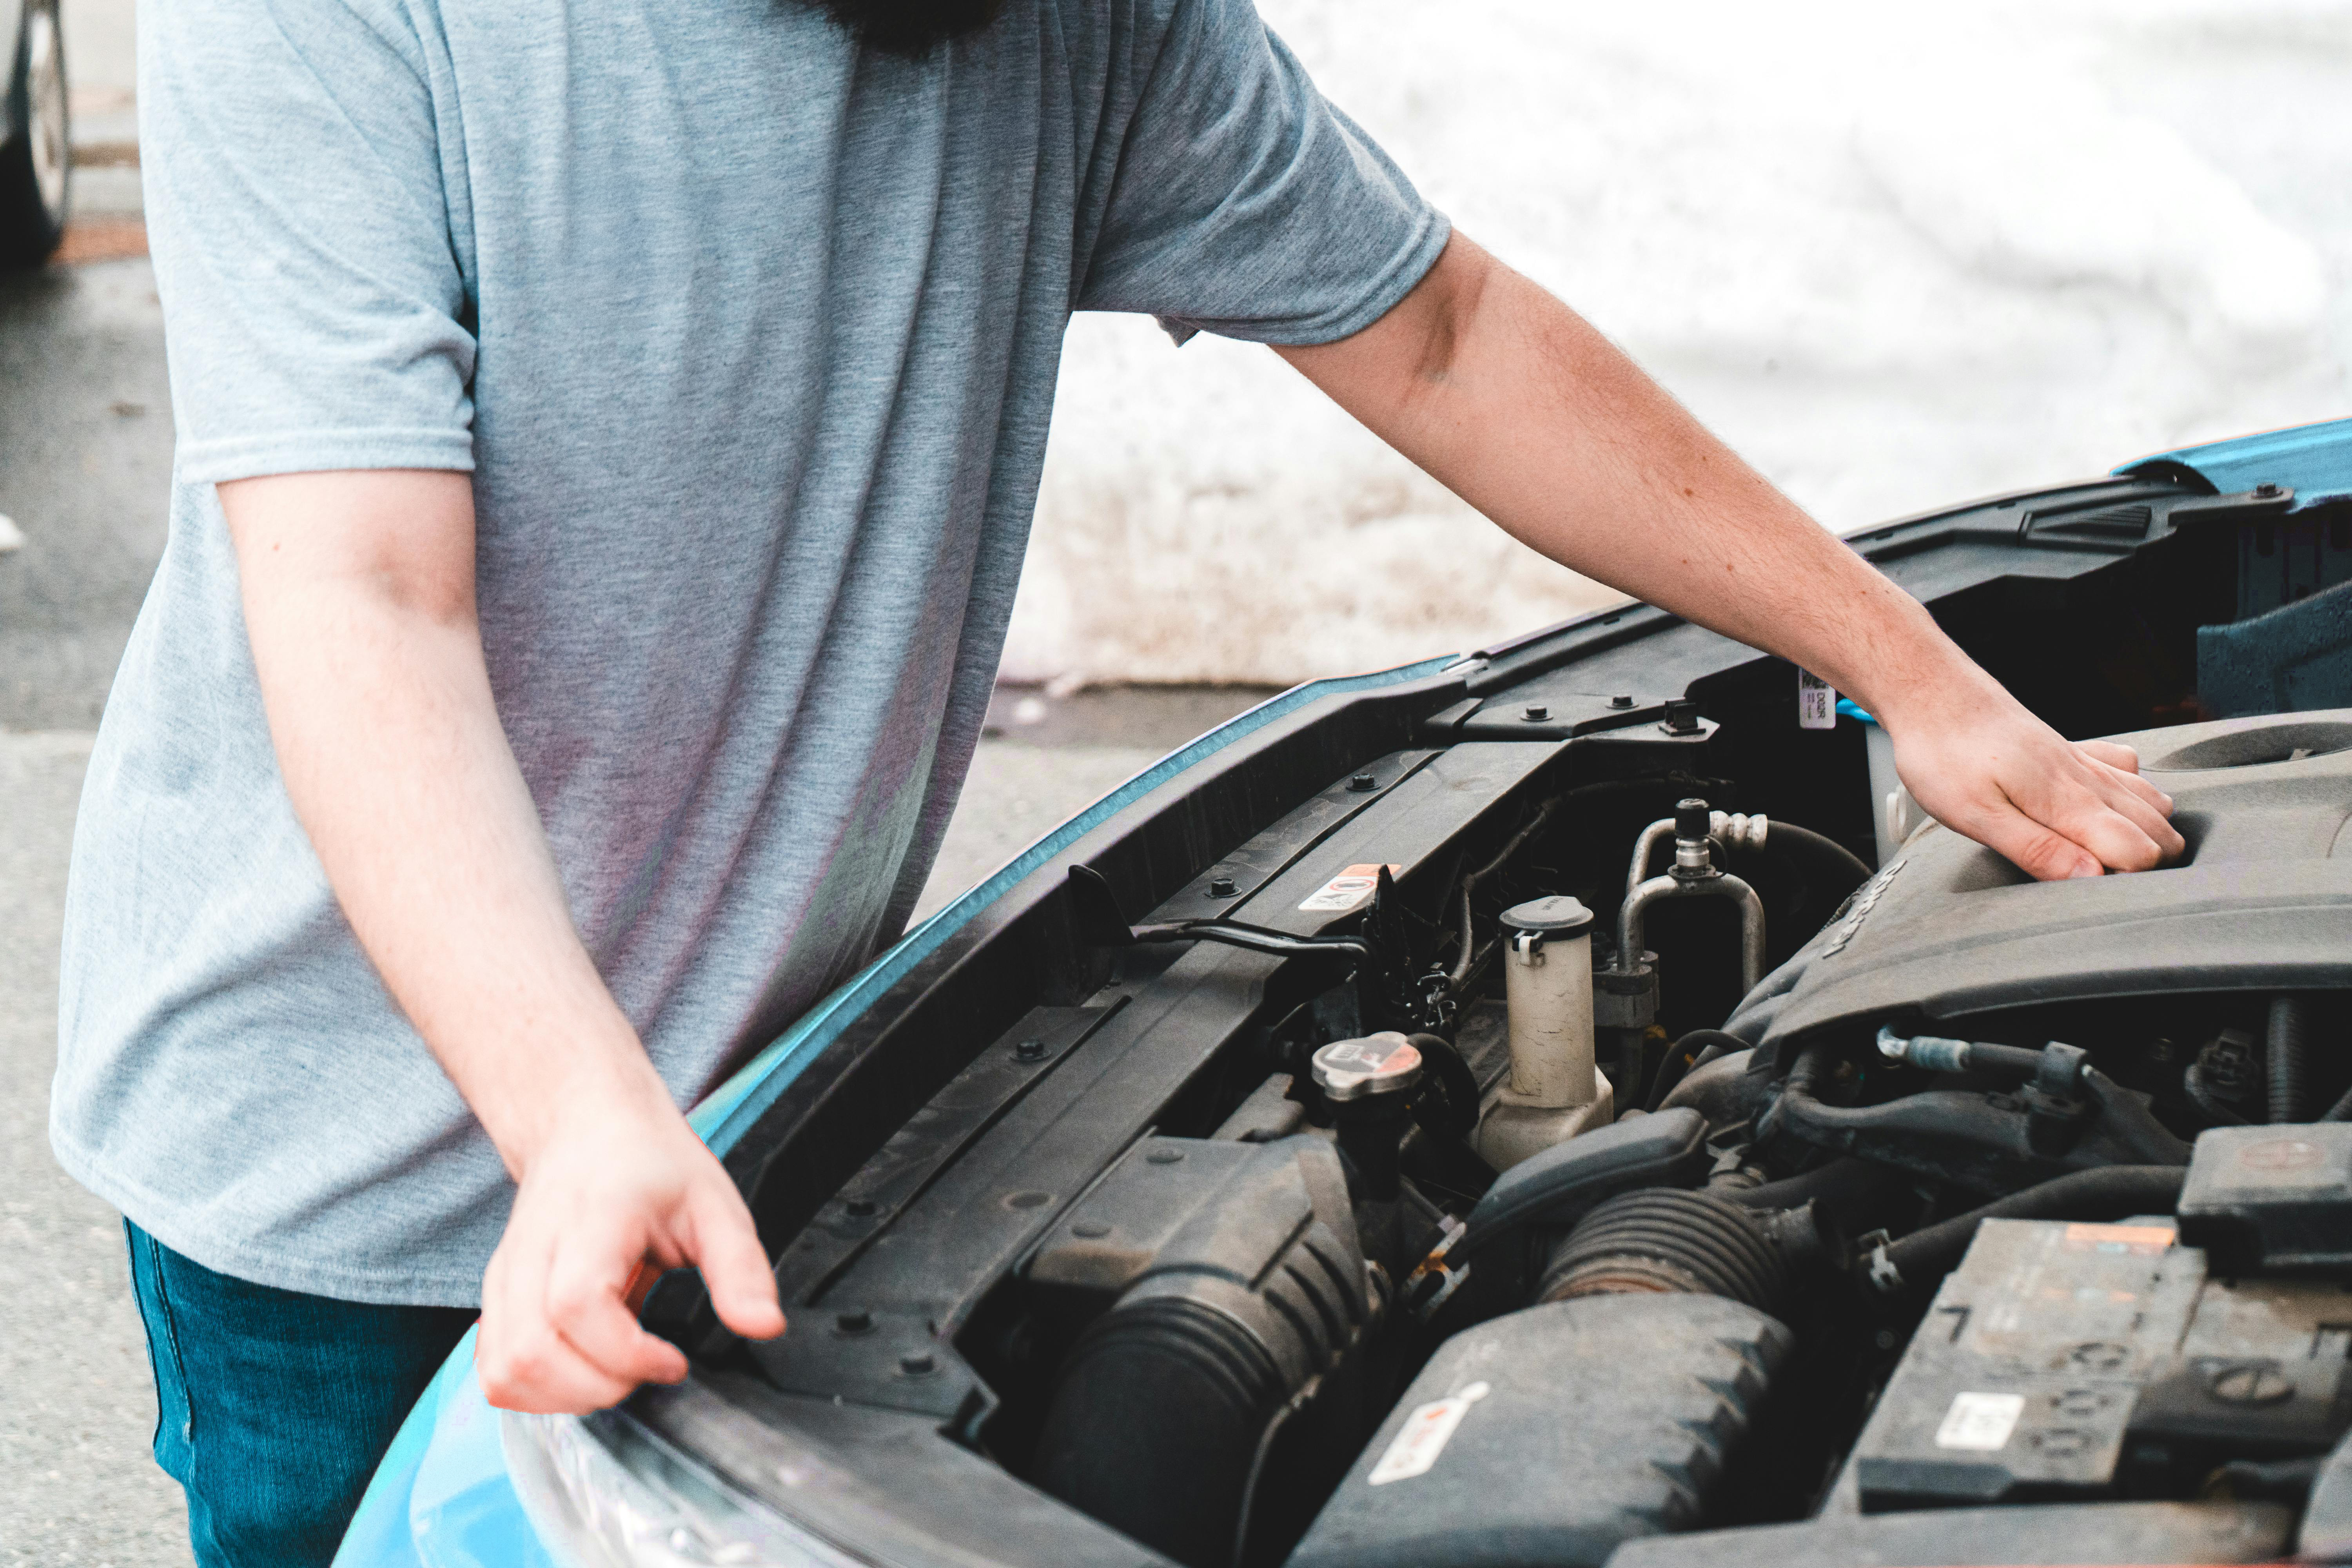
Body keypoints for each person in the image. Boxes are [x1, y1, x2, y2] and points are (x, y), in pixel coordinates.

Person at [50, 0, 2183, 1560]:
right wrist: (580, 1119)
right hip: (354, 1178)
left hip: (763, 1111)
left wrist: (1916, 675)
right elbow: (363, 601)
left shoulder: (1070, 19)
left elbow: (1433, 333)